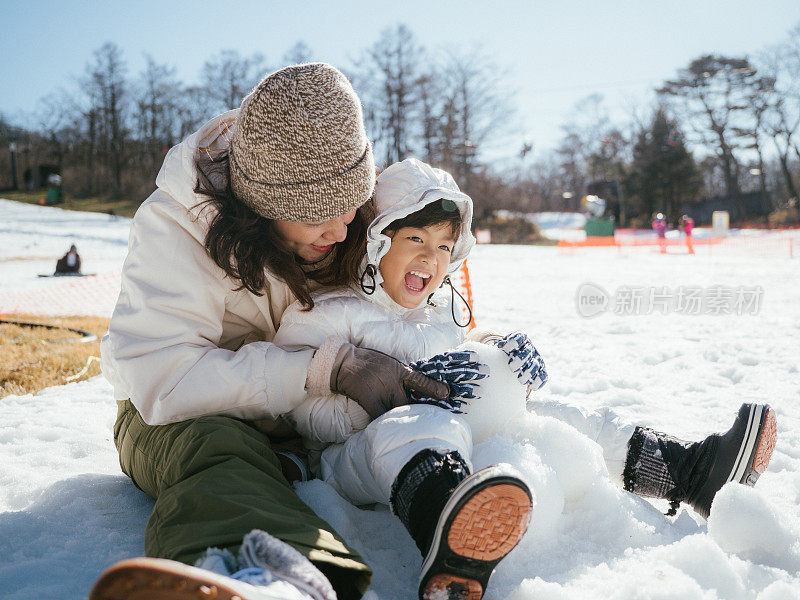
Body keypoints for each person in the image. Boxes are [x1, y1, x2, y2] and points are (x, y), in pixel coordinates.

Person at [271, 158, 778, 599]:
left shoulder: (441, 313)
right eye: (415, 239)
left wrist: (498, 355)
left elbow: (462, 360)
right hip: (358, 457)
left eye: (446, 247)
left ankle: (690, 472)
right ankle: (449, 536)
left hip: (461, 437)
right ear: (377, 242)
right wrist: (376, 394)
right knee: (414, 425)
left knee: (555, 418)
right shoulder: (331, 312)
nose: (431, 257)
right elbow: (305, 412)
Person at [90, 64, 450, 600]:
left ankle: (450, 504)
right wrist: (323, 368)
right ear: (262, 206)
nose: (343, 227)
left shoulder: (345, 226)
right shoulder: (176, 226)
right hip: (180, 414)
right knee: (218, 453)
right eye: (316, 215)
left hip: (306, 423)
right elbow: (164, 379)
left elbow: (400, 294)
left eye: (351, 201)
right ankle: (256, 575)